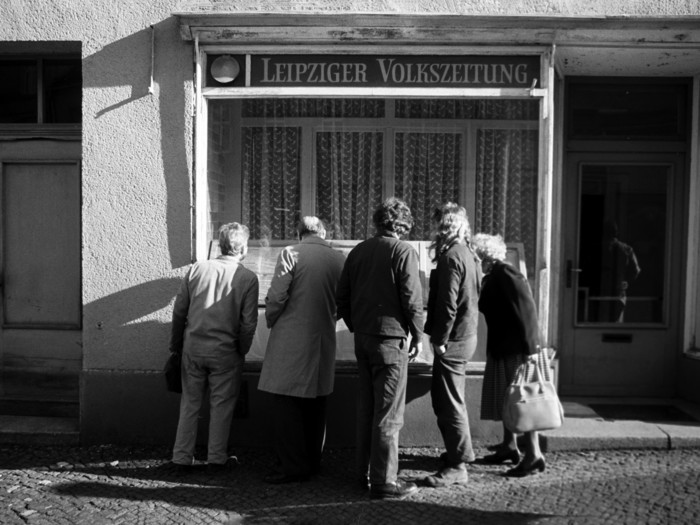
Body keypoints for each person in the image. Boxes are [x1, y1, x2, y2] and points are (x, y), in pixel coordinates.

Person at [336, 197, 424, 500]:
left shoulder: (358, 251)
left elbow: (342, 296)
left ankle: (363, 474)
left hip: (364, 338)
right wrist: (419, 335)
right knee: (389, 413)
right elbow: (412, 301)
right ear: (402, 224)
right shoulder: (403, 251)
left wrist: (356, 324)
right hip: (391, 340)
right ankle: (385, 481)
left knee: (367, 408)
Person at [258, 217, 346, 484]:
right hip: (323, 337)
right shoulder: (338, 258)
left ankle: (292, 465)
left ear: (299, 234)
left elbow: (277, 296)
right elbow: (345, 300)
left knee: (287, 402)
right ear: (323, 232)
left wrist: (271, 318)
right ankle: (312, 461)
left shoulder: (291, 252)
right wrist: (331, 317)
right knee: (317, 403)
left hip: (292, 336)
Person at [170, 223, 259, 473]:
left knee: (190, 404)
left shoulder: (198, 269)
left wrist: (176, 345)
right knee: (222, 406)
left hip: (194, 347)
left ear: (220, 244)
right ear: (243, 248)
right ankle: (216, 458)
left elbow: (179, 312)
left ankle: (181, 457)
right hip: (226, 351)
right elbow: (248, 323)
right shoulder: (247, 278)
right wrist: (242, 349)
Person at [471, 233, 548, 477]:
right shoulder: (495, 275)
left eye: (476, 255)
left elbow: (526, 310)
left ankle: (534, 454)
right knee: (509, 398)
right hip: (504, 347)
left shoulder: (506, 273)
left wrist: (531, 349)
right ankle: (509, 445)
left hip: (517, 349)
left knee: (522, 400)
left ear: (483, 255)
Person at [422, 203, 481, 487]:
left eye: (435, 225)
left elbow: (447, 305)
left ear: (443, 226)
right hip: (466, 335)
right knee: (450, 399)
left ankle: (458, 465)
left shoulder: (451, 257)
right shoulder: (468, 254)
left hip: (454, 339)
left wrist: (439, 340)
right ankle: (459, 453)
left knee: (448, 402)